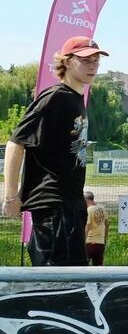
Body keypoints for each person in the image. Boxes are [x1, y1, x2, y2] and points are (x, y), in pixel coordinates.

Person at [3, 37, 106, 266]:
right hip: (54, 206)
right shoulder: (55, 97)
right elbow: (16, 142)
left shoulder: (76, 99)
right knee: (61, 285)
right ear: (67, 62)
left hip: (70, 205)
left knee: (70, 282)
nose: (93, 65)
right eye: (85, 59)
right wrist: (11, 196)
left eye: (96, 60)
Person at [83, 190, 108, 266]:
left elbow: (87, 226)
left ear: (85, 200)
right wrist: (104, 238)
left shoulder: (88, 210)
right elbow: (107, 224)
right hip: (100, 243)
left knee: (84, 266)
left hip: (89, 242)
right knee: (98, 266)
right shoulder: (102, 208)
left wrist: (83, 241)